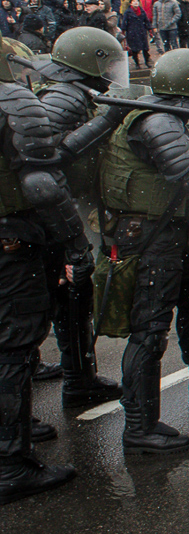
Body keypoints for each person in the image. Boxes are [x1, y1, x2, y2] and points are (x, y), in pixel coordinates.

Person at [97, 50, 189, 455]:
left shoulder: (161, 112)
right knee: (150, 328)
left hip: (160, 233)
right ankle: (140, 428)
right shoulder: (158, 120)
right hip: (148, 237)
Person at [0, 50, 94, 504]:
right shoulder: (12, 100)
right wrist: (75, 244)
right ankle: (11, 465)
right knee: (13, 349)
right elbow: (42, 183)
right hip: (11, 243)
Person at [31, 28, 133, 410]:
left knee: (71, 300)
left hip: (56, 209)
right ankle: (70, 384)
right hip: (47, 214)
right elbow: (49, 155)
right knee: (58, 301)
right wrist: (107, 120)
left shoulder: (75, 91)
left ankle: (79, 379)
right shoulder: (63, 97)